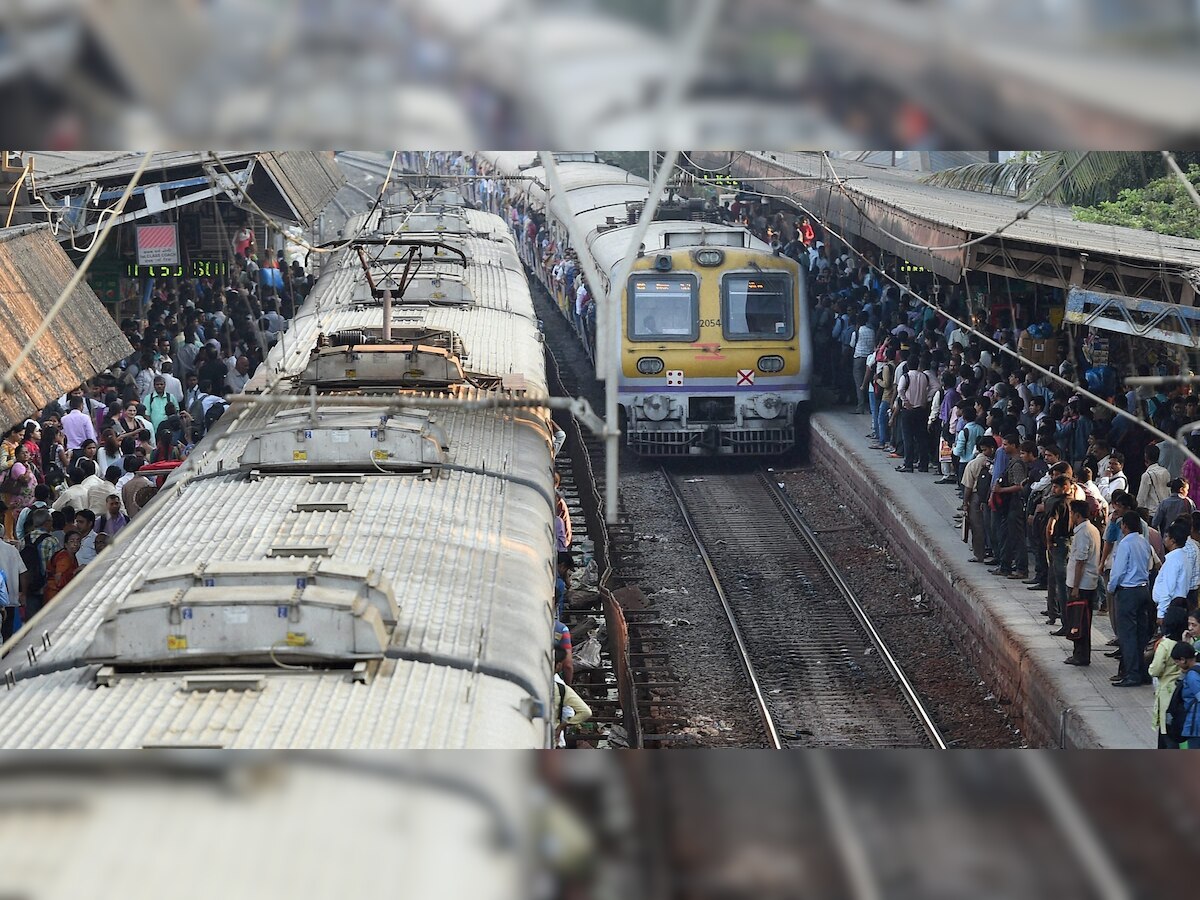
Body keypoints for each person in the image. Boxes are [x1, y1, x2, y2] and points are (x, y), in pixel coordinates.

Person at [1107, 511, 1155, 687]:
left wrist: (1111, 588)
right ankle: (1142, 672)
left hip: (1128, 591)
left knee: (1127, 635)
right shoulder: (1144, 542)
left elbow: (1118, 571)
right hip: (1143, 589)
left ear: (1125, 526)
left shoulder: (1125, 544)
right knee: (1141, 634)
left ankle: (1132, 674)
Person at [1062, 499, 1101, 667]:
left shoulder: (1084, 532)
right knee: (1081, 619)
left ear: (1077, 515)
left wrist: (1076, 586)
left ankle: (1081, 655)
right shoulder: (1091, 530)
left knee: (1080, 620)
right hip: (1085, 582)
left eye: (1071, 514)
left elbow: (1081, 561)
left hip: (1082, 584)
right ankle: (1079, 653)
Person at [1150, 601, 1189, 748]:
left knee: (1166, 731)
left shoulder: (1165, 645)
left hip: (1166, 692)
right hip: (1180, 690)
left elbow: (1155, 670)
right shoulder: (1187, 641)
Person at [552, 646, 591, 748]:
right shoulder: (561, 687)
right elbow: (586, 712)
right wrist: (563, 725)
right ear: (558, 665)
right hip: (553, 738)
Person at [1171, 641, 1200, 749]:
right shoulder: (1197, 670)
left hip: (1196, 726)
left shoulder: (1192, 676)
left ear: (1183, 659)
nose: (1177, 665)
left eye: (1177, 662)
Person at [42, 530, 81, 606]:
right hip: (55, 595)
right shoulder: (64, 557)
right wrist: (76, 571)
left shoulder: (71, 556)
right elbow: (58, 580)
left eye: (78, 541)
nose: (75, 544)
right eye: (72, 541)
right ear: (66, 544)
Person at [0, 534, 27, 641]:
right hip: (10, 599)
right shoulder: (11, 550)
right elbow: (23, 572)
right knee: (7, 634)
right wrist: (23, 593)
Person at [1137, 444, 1171, 520]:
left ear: (1145, 456)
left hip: (1152, 513)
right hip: (1165, 511)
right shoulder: (1165, 472)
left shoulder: (1147, 475)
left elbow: (1141, 499)